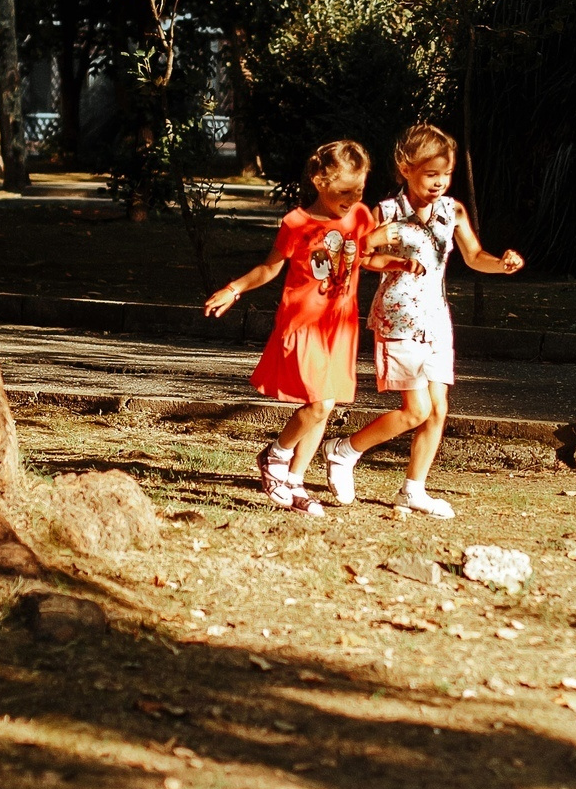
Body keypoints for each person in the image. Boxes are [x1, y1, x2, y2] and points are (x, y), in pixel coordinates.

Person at [324, 123, 522, 517]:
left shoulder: (453, 211)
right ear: (406, 168)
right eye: (431, 174)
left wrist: (502, 265)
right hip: (397, 320)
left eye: (445, 175)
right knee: (416, 411)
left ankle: (413, 489)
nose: (439, 183)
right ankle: (344, 450)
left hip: (437, 320)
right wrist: (387, 247)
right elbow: (357, 254)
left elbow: (473, 256)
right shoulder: (387, 211)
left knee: (439, 409)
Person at [202, 139, 403, 514]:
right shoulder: (297, 223)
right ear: (319, 180)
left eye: (359, 189)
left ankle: (294, 482)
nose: (353, 197)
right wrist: (235, 288)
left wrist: (395, 263)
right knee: (318, 402)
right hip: (304, 323)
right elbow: (270, 267)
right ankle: (275, 457)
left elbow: (365, 260)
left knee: (324, 408)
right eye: (344, 190)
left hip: (339, 326)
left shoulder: (360, 216)